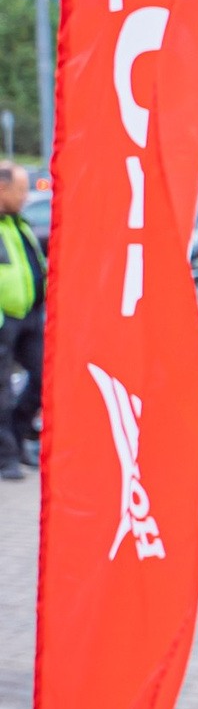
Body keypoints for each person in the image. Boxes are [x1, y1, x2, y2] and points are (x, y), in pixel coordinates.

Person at [0, 164, 44, 482]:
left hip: (28, 316)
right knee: (1, 390)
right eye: (21, 190)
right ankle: (7, 457)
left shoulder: (18, 224)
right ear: (3, 190)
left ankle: (18, 435)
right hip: (4, 319)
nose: (26, 196)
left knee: (45, 378)